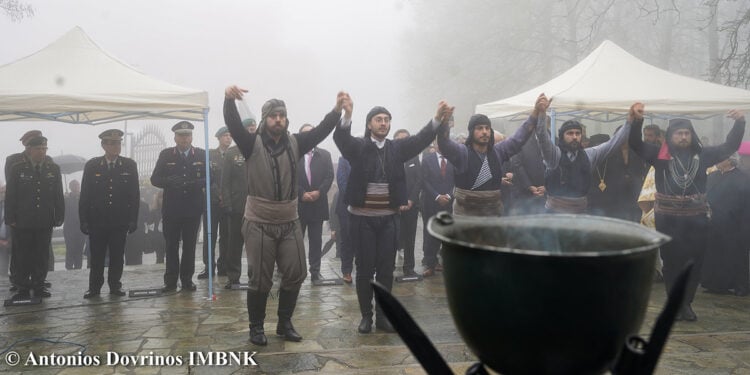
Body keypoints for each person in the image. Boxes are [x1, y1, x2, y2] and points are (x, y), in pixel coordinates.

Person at [224, 85, 347, 346]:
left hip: (289, 219)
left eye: (281, 115)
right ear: (265, 119)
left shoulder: (296, 142)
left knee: (297, 272)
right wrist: (228, 99)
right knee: (260, 279)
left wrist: (337, 110)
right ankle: (256, 327)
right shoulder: (250, 143)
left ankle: (284, 322)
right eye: (273, 115)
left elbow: (321, 131)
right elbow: (233, 124)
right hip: (258, 220)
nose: (278, 119)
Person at [334, 101, 453, 334]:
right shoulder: (358, 147)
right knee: (365, 269)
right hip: (363, 219)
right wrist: (346, 115)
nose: (383, 123)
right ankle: (366, 316)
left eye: (387, 119)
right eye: (378, 119)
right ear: (369, 124)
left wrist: (437, 118)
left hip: (388, 218)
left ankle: (382, 317)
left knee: (386, 270)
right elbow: (341, 140)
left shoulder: (397, 148)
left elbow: (420, 139)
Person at [629, 110, 746, 321]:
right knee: (672, 262)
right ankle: (676, 303)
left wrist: (739, 123)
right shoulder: (660, 156)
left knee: (694, 262)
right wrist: (637, 121)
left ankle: (686, 303)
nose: (683, 137)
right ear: (671, 136)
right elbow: (636, 144)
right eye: (679, 133)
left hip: (696, 219)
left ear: (692, 135)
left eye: (687, 133)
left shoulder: (703, 155)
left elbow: (730, 146)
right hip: (669, 219)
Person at [437, 97, 542, 217]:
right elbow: (444, 144)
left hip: (493, 216)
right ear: (471, 132)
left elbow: (518, 138)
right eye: (479, 128)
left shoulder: (498, 152)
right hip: (466, 218)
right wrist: (444, 123)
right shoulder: (462, 153)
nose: (484, 132)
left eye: (487, 128)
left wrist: (535, 113)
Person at [535, 96, 635, 214]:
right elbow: (542, 137)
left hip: (580, 214)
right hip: (555, 215)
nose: (574, 137)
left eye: (578, 133)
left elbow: (613, 143)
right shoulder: (554, 155)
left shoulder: (589, 155)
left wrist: (629, 121)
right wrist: (541, 114)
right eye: (570, 133)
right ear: (562, 136)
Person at [79, 129, 140, 298]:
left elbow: (134, 195)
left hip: (119, 220)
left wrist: (133, 219)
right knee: (97, 256)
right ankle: (94, 287)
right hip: (97, 220)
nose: (116, 146)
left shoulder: (129, 165)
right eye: (112, 143)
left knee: (117, 255)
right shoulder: (92, 165)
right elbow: (85, 194)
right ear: (104, 145)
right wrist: (83, 220)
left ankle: (115, 285)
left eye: (119, 143)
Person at [150, 121, 207, 293]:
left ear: (191, 137)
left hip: (192, 209)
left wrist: (198, 183)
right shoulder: (167, 155)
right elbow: (155, 179)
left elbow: (210, 178)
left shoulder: (201, 155)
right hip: (172, 209)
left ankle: (187, 280)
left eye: (187, 135)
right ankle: (171, 281)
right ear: (175, 137)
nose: (184, 138)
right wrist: (168, 182)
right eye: (181, 135)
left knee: (189, 246)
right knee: (171, 246)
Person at [5, 136, 64, 298]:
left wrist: (59, 215)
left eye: (44, 148)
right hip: (23, 221)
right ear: (30, 150)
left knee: (42, 254)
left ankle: (39, 285)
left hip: (44, 220)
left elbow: (58, 194)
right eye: (38, 148)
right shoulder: (17, 168)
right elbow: (11, 196)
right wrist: (10, 218)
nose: (42, 152)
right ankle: (22, 287)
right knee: (23, 254)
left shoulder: (53, 169)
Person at [701, 154, 750, 296]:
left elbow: (745, 202)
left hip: (736, 224)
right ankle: (715, 284)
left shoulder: (743, 178)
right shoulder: (712, 176)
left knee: (736, 254)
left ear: (729, 160)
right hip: (714, 222)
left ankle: (740, 285)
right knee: (714, 253)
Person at [220, 118, 257, 288]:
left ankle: (254, 275)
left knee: (255, 245)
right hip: (237, 206)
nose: (251, 130)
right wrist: (227, 204)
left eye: (253, 127)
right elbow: (225, 181)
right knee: (234, 244)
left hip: (258, 206)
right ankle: (233, 277)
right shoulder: (231, 153)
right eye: (248, 128)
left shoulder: (260, 149)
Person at [297, 123, 334, 282]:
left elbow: (329, 176)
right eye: (305, 133)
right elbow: (287, 177)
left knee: (316, 240)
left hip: (317, 205)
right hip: (298, 205)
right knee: (295, 242)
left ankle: (315, 271)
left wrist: (319, 191)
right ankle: (295, 272)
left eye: (312, 133)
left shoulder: (324, 155)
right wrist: (301, 193)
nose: (309, 136)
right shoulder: (293, 155)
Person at [198, 127, 232, 280]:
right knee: (209, 235)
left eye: (230, 136)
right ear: (218, 138)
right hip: (212, 202)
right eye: (225, 136)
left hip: (228, 202)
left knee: (226, 236)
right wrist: (217, 193)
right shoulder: (209, 155)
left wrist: (226, 195)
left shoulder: (234, 155)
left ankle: (223, 265)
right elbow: (206, 177)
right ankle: (209, 266)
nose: (228, 138)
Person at [420, 140, 455, 276]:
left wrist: (447, 196)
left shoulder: (453, 159)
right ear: (434, 144)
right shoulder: (427, 160)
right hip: (430, 203)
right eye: (438, 142)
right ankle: (430, 264)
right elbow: (424, 181)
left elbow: (456, 180)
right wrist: (437, 196)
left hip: (448, 203)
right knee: (430, 233)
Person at [393, 129, 422, 278]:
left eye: (406, 138)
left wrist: (411, 200)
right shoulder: (389, 156)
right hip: (394, 207)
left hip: (411, 205)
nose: (403, 141)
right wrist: (398, 202)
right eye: (400, 139)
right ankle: (388, 266)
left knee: (410, 238)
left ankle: (409, 268)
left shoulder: (414, 157)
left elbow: (419, 180)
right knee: (392, 237)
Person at [335, 156, 354, 283]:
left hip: (367, 206)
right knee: (346, 239)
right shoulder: (344, 160)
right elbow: (342, 183)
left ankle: (366, 270)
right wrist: (356, 199)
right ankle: (346, 271)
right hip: (346, 206)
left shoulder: (369, 157)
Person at [64, 179, 86, 270]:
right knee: (70, 248)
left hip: (80, 228)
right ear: (70, 187)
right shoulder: (66, 198)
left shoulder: (83, 197)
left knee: (79, 249)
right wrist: (64, 199)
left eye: (77, 185)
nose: (76, 187)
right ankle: (69, 266)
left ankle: (78, 267)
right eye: (73, 185)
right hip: (69, 228)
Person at [0, 184, 9, 280]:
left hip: (12, 240)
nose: (3, 194)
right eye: (1, 192)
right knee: (2, 269)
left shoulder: (15, 206)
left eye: (4, 192)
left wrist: (9, 240)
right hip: (1, 240)